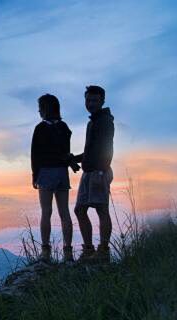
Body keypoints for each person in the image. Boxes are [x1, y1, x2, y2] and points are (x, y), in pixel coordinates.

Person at [72, 85, 115, 263]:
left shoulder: (105, 121)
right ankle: (89, 249)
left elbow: (106, 148)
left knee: (101, 208)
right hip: (89, 171)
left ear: (102, 101)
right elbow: (90, 151)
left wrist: (100, 170)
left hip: (98, 171)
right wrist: (74, 158)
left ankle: (103, 250)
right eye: (88, 100)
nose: (90, 103)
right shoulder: (93, 122)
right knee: (80, 209)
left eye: (95, 100)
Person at [31, 94, 75, 262]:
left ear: (44, 110)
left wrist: (35, 175)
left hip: (46, 173)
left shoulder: (40, 128)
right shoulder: (64, 127)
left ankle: (46, 251)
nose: (39, 111)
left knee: (46, 212)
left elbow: (35, 155)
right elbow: (66, 152)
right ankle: (68, 251)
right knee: (64, 212)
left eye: (40, 108)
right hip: (62, 173)